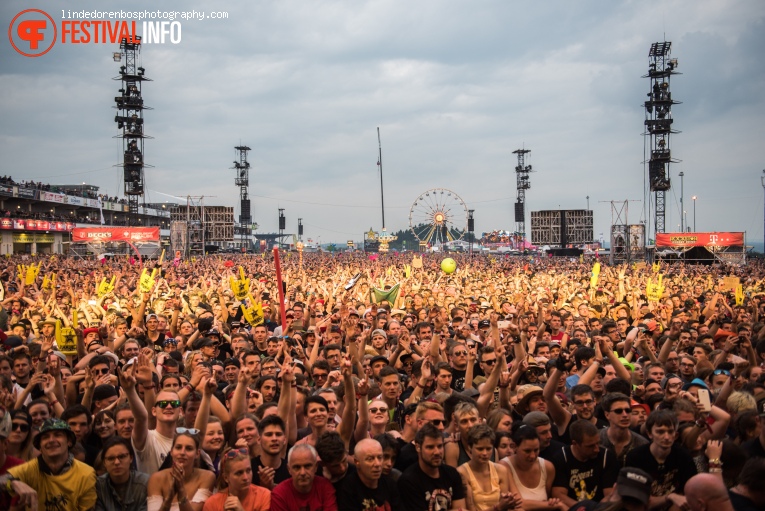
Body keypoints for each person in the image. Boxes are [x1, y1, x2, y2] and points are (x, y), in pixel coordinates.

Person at [0, 418, 97, 511]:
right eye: (45, 437)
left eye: (57, 435)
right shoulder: (30, 468)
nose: (51, 440)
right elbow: (3, 480)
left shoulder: (86, 473)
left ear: (69, 441)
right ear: (40, 446)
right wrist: (11, 483)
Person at [624, 410, 697, 510]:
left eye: (670, 432)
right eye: (660, 432)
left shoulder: (683, 456)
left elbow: (690, 495)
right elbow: (637, 504)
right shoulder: (636, 457)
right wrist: (670, 497)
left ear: (675, 435)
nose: (666, 437)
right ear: (649, 434)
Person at [397, 422, 467, 511]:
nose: (437, 452)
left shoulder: (452, 474)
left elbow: (461, 508)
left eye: (440, 446)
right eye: (430, 447)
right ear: (418, 447)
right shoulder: (408, 480)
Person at [550, 419, 618, 507]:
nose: (597, 449)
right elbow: (558, 494)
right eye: (590, 446)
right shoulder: (561, 459)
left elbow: (610, 494)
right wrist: (584, 509)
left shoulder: (606, 457)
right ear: (575, 443)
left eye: (598, 443)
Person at [456, 424, 521, 511]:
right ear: (470, 447)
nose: (485, 453)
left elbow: (504, 505)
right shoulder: (462, 473)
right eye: (480, 449)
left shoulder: (501, 470)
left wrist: (509, 501)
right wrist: (497, 507)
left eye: (488, 449)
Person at [146, 430, 216, 511]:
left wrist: (181, 491)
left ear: (197, 453)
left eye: (189, 449)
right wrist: (169, 499)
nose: (182, 452)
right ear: (171, 451)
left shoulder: (207, 477)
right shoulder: (156, 478)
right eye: (178, 447)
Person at [502, 424, 564, 511]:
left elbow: (550, 499)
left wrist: (552, 503)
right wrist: (551, 505)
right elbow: (518, 503)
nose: (532, 456)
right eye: (527, 451)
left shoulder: (548, 467)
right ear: (514, 446)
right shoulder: (504, 466)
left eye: (536, 450)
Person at [336, 438, 401, 510]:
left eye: (380, 457)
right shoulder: (348, 488)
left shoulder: (390, 484)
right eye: (370, 459)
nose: (377, 464)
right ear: (357, 462)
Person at [270, 443, 337, 511]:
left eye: (307, 466)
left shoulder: (325, 486)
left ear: (316, 467)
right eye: (297, 467)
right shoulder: (280, 494)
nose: (303, 473)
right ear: (289, 469)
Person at [202, 448, 270, 511]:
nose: (246, 477)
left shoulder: (264, 496)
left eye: (248, 471)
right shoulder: (212, 503)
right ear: (226, 478)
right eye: (239, 473)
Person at [95, 437, 149, 511]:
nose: (117, 462)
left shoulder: (145, 483)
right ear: (104, 462)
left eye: (122, 456)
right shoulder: (98, 486)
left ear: (131, 458)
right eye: (111, 458)